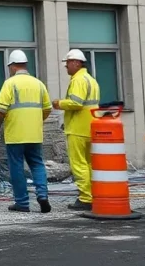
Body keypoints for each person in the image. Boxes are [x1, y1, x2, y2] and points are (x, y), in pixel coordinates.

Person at [0, 50, 52, 214]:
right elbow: (47, 108)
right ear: (25, 65)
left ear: (12, 66)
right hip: (34, 134)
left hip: (15, 135)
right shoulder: (38, 84)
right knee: (37, 164)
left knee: (17, 167)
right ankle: (42, 195)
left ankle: (22, 202)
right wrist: (36, 121)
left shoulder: (10, 84)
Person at [52, 49, 100, 210]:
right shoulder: (91, 80)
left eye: (68, 63)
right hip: (91, 126)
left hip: (78, 128)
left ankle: (86, 198)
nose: (66, 67)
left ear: (76, 63)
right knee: (90, 164)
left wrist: (59, 103)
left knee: (78, 164)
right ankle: (94, 194)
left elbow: (76, 103)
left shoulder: (78, 80)